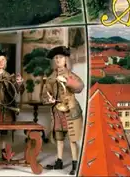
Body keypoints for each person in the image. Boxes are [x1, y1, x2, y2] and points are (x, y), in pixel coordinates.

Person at [42, 46, 84, 175]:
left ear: (66, 60)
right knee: (59, 138)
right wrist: (47, 98)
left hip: (71, 110)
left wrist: (67, 81)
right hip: (57, 111)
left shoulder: (71, 75)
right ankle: (59, 161)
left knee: (72, 139)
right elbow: (44, 94)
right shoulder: (50, 77)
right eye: (56, 58)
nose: (58, 60)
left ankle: (75, 164)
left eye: (60, 57)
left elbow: (80, 87)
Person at [0, 48, 24, 160]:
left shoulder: (9, 76)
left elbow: (18, 89)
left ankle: (3, 151)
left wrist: (19, 82)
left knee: (4, 131)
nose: (2, 62)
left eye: (3, 60)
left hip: (7, 109)